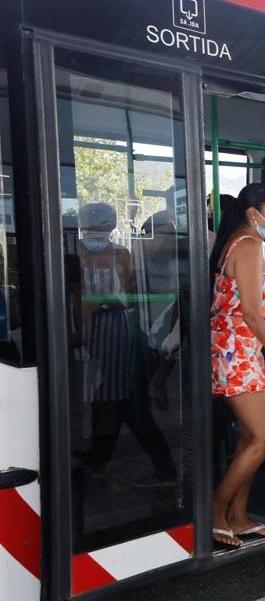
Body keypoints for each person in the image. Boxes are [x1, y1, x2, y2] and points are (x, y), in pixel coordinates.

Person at [209, 184, 265, 548]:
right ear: (253, 213)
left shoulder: (238, 242)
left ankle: (240, 515)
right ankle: (216, 511)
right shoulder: (248, 246)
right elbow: (251, 313)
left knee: (251, 436)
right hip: (237, 350)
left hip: (241, 348)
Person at [75, 203, 178, 488]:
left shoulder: (122, 253)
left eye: (103, 230)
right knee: (103, 400)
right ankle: (99, 456)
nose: (97, 236)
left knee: (114, 400)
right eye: (91, 231)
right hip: (87, 332)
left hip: (117, 332)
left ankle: (99, 459)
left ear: (111, 230)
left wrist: (104, 303)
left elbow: (133, 294)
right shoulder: (76, 254)